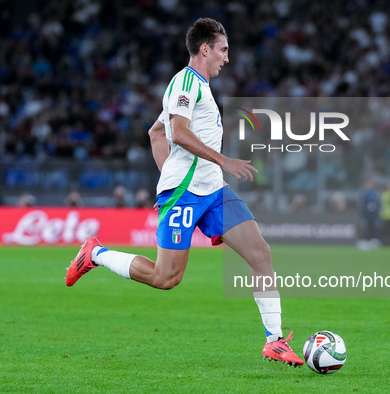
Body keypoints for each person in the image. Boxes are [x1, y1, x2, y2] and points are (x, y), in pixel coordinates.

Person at [65, 18, 303, 367]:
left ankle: (275, 341)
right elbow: (177, 132)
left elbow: (156, 132)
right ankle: (96, 253)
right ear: (204, 49)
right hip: (186, 195)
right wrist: (211, 166)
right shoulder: (185, 83)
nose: (226, 58)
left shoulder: (199, 87)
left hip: (212, 191)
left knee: (260, 254)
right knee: (166, 278)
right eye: (222, 50)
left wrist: (173, 173)